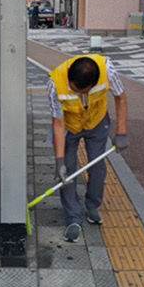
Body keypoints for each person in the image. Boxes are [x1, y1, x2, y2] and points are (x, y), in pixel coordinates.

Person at [48, 54, 129, 242]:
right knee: (66, 172)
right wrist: (59, 160)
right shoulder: (55, 83)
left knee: (97, 166)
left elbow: (120, 98)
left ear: (91, 86)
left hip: (97, 121)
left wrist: (122, 132)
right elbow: (58, 123)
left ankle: (92, 206)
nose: (75, 93)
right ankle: (73, 217)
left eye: (79, 92)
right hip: (69, 125)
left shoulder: (107, 69)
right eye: (73, 89)